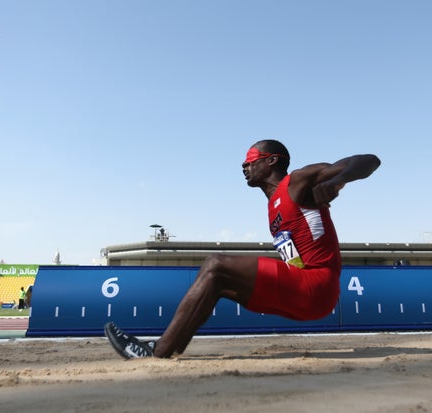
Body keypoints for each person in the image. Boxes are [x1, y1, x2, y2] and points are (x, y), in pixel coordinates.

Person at [105, 139, 380, 359]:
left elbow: (368, 161)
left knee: (215, 264)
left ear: (271, 160)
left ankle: (156, 351)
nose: (244, 165)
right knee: (217, 284)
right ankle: (170, 347)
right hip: (304, 294)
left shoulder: (297, 181)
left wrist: (333, 182)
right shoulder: (272, 205)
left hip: (316, 285)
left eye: (250, 160)